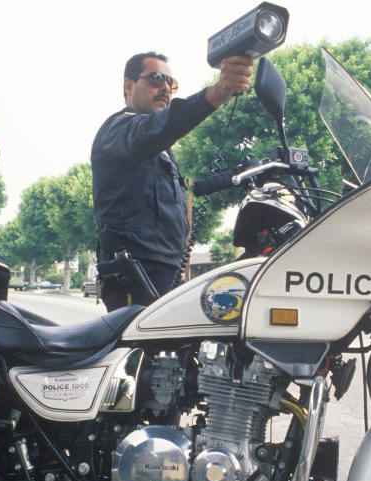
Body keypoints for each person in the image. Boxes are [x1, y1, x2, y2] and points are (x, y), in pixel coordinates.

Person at [91, 51, 253, 311]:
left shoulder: (163, 147)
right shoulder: (118, 129)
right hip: (134, 270)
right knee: (140, 349)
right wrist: (218, 92)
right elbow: (153, 132)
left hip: (164, 268)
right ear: (128, 85)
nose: (165, 87)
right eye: (156, 78)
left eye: (171, 83)